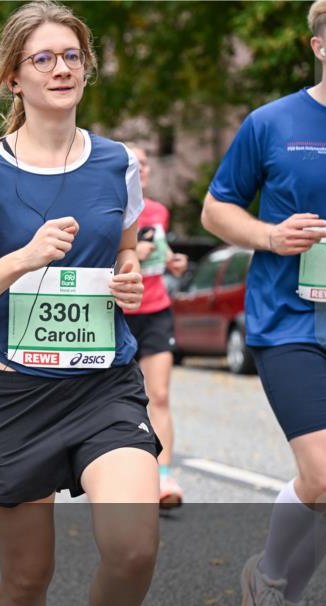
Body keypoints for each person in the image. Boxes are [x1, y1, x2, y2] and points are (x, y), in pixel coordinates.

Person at [0, 3, 160, 606]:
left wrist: (128, 273)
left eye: (72, 56)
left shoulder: (117, 163)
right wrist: (23, 258)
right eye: (44, 58)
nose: (62, 68)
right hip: (15, 394)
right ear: (13, 79)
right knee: (28, 577)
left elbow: (124, 246)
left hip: (103, 385)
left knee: (134, 548)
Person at [201, 1, 326, 606]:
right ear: (319, 47)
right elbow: (215, 209)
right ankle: (268, 580)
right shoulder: (271, 123)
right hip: (288, 322)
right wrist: (271, 236)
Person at [122, 145, 189, 509]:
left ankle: (162, 478)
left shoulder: (159, 211)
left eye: (146, 163)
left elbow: (158, 256)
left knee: (159, 395)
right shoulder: (108, 208)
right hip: (117, 313)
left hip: (156, 310)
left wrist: (172, 262)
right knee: (115, 400)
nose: (142, 169)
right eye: (134, 164)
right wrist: (131, 254)